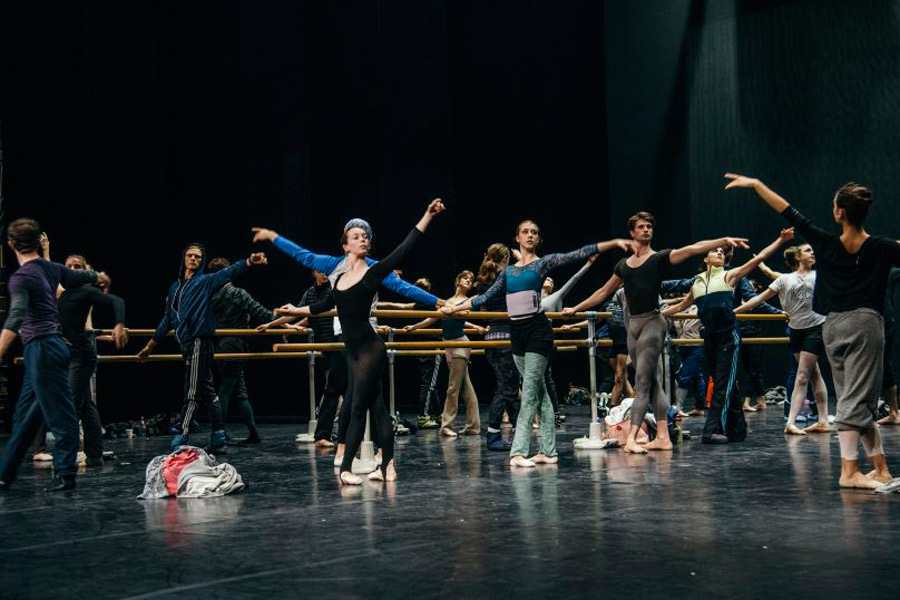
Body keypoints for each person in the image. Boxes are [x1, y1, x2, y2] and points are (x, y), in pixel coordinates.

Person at [725, 173, 900, 489]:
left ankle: (880, 467)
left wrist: (756, 185)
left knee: (853, 397)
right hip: (864, 325)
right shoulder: (883, 247)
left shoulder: (826, 243)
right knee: (856, 399)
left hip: (832, 326)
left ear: (839, 213)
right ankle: (849, 472)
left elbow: (789, 211)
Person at [273, 198, 445, 484]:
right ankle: (387, 467)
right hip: (352, 352)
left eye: (365, 236)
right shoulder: (339, 278)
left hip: (370, 350)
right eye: (356, 236)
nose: (363, 239)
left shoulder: (374, 272)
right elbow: (321, 306)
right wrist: (295, 311)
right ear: (345, 245)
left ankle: (345, 470)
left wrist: (428, 214)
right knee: (377, 409)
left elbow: (405, 247)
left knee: (355, 408)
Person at [445, 221, 631, 467]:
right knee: (541, 394)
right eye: (525, 232)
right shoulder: (507, 272)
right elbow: (485, 297)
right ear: (517, 238)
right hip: (517, 333)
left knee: (530, 391)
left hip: (537, 332)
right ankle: (548, 452)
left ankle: (518, 452)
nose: (530, 235)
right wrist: (455, 308)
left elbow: (575, 254)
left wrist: (613, 243)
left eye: (534, 232)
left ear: (538, 239)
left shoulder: (543, 263)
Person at [564, 211, 748, 453]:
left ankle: (631, 438)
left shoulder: (659, 258)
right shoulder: (623, 265)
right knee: (652, 384)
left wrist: (722, 240)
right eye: (641, 227)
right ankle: (663, 436)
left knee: (641, 381)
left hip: (652, 322)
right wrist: (576, 308)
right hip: (632, 326)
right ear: (632, 232)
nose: (646, 230)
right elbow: (602, 292)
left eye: (649, 226)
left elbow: (692, 249)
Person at [663, 229, 793, 443]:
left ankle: (712, 430)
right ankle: (738, 429)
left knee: (722, 385)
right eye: (714, 251)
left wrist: (780, 239)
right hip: (710, 336)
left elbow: (759, 258)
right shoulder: (697, 282)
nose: (719, 253)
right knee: (725, 383)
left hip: (728, 336)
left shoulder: (730, 275)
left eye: (722, 252)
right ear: (705, 258)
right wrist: (656, 315)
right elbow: (679, 306)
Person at [138, 244, 268, 452]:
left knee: (192, 392)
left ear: (201, 261)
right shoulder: (175, 288)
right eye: (190, 255)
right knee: (209, 392)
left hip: (200, 342)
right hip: (187, 344)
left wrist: (250, 261)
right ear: (184, 258)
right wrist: (149, 346)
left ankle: (182, 434)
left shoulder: (205, 282)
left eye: (197, 257)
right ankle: (218, 437)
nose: (193, 259)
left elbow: (229, 271)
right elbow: (168, 320)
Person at [0, 219, 99, 491]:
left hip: (43, 348)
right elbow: (81, 277)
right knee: (27, 415)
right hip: (48, 347)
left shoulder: (22, 277)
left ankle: (66, 473)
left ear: (11, 244)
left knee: (61, 414)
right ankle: (5, 473)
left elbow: (16, 315)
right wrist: (97, 276)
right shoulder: (50, 268)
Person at [736, 243, 832, 435]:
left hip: (815, 329)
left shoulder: (819, 276)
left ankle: (791, 422)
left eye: (813, 250)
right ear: (798, 256)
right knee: (814, 374)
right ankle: (823, 420)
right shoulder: (785, 279)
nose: (812, 253)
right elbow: (758, 299)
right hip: (796, 331)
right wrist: (734, 312)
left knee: (802, 375)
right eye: (808, 250)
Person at [57, 255, 128, 467]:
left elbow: (117, 301)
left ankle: (67, 458)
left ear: (85, 271)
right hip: (69, 353)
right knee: (86, 404)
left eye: (77, 266)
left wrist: (119, 324)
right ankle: (95, 455)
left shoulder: (86, 291)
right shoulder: (64, 293)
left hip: (81, 355)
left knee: (71, 404)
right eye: (69, 266)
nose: (72, 269)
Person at [404, 271, 485, 437]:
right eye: (465, 278)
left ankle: (447, 425)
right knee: (466, 388)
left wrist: (449, 311)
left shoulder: (467, 301)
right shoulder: (447, 301)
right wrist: (414, 327)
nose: (469, 281)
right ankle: (473, 426)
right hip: (449, 345)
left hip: (460, 344)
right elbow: (433, 318)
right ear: (458, 280)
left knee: (453, 388)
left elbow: (463, 314)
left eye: (471, 280)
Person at [207, 257, 275, 445]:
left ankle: (252, 433)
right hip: (235, 346)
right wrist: (283, 321)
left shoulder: (211, 297)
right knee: (227, 390)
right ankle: (220, 432)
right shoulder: (237, 293)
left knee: (238, 392)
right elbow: (261, 313)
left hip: (221, 346)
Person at [475, 243, 520, 451]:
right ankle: (493, 434)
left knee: (509, 387)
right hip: (506, 337)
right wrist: (521, 261)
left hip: (492, 336)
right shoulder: (506, 277)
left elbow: (483, 310)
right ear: (505, 259)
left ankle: (519, 431)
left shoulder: (485, 280)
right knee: (506, 389)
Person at [540, 256, 596, 423]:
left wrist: (588, 265)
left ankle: (553, 413)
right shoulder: (531, 293)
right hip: (528, 337)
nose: (549, 280)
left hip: (544, 339)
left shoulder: (555, 297)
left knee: (545, 376)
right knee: (536, 377)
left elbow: (573, 280)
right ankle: (545, 414)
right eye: (547, 278)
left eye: (552, 280)